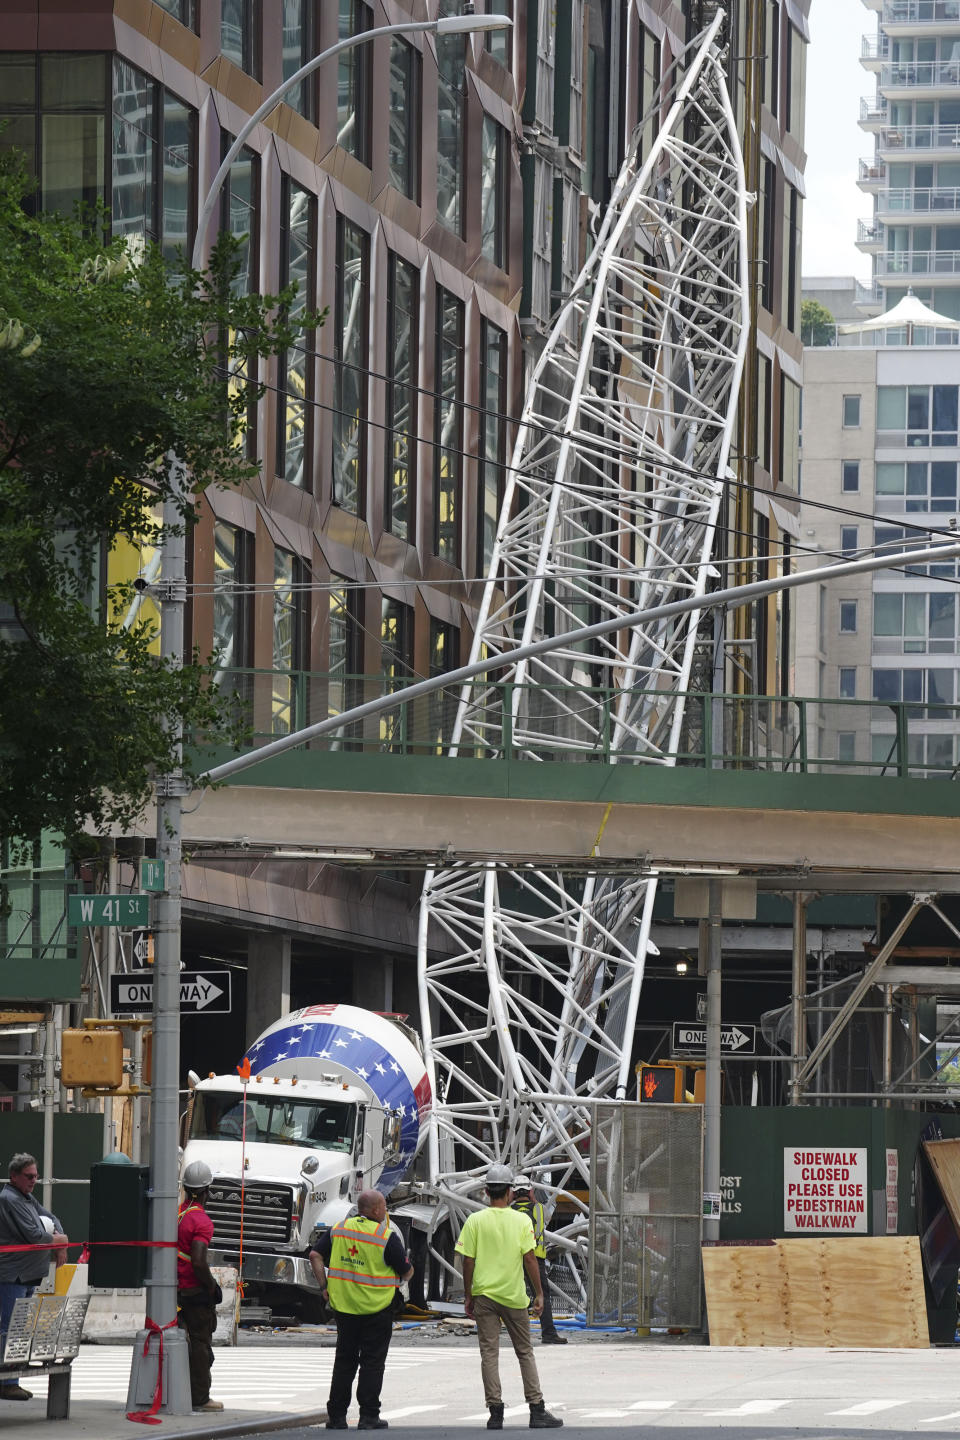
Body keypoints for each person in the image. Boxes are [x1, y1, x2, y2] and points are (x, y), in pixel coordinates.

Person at [455, 1164, 563, 1431]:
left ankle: (495, 1412)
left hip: (484, 1296)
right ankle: (536, 1409)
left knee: (489, 1353)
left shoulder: (475, 1221)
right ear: (510, 1192)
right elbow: (529, 1259)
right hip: (513, 1297)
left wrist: (468, 1295)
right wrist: (539, 1293)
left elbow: (468, 1261)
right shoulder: (522, 1221)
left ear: (486, 1191)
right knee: (525, 1352)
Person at [309, 1188, 414, 1431]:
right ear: (376, 1210)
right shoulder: (385, 1236)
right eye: (384, 1208)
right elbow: (406, 1271)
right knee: (372, 1362)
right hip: (377, 1309)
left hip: (344, 1309)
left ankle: (336, 1417)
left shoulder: (339, 1229)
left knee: (344, 1361)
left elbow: (315, 1255)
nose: (386, 1211)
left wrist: (323, 1286)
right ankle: (368, 1416)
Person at [0, 1153, 68, 1402]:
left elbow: (51, 1220)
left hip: (25, 1276)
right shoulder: (10, 1199)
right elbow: (35, 1236)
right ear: (14, 1176)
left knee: (17, 1329)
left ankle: (11, 1379)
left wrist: (60, 1241)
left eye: (36, 1176)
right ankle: (7, 1381)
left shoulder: (25, 1198)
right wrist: (61, 1241)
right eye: (29, 1176)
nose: (34, 1181)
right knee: (11, 1329)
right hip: (13, 1276)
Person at [177, 1159, 224, 1415]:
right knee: (199, 1345)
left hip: (175, 1290)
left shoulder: (176, 1214)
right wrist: (212, 1287)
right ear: (208, 1191)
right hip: (194, 1291)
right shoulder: (201, 1221)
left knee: (181, 1342)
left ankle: (181, 1390)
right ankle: (200, 1397)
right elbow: (198, 1260)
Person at [512, 1176, 567, 1345]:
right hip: (536, 1258)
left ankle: (516, 1334)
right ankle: (549, 1333)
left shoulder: (509, 1211)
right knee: (542, 1295)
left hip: (514, 1258)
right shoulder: (539, 1209)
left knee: (513, 1295)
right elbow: (543, 1226)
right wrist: (534, 1199)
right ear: (530, 1191)